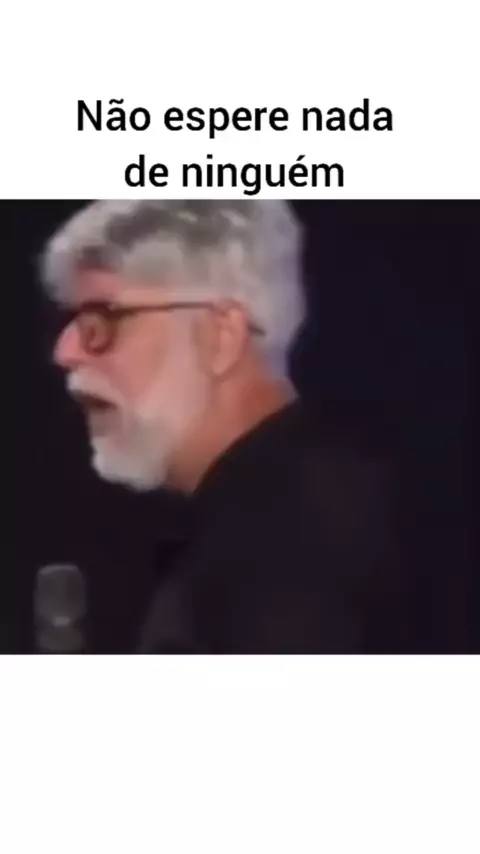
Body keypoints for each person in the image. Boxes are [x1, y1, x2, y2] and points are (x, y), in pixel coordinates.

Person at [40, 200, 419, 653]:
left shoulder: (285, 551)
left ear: (221, 337)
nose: (65, 351)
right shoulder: (291, 513)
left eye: (100, 320)